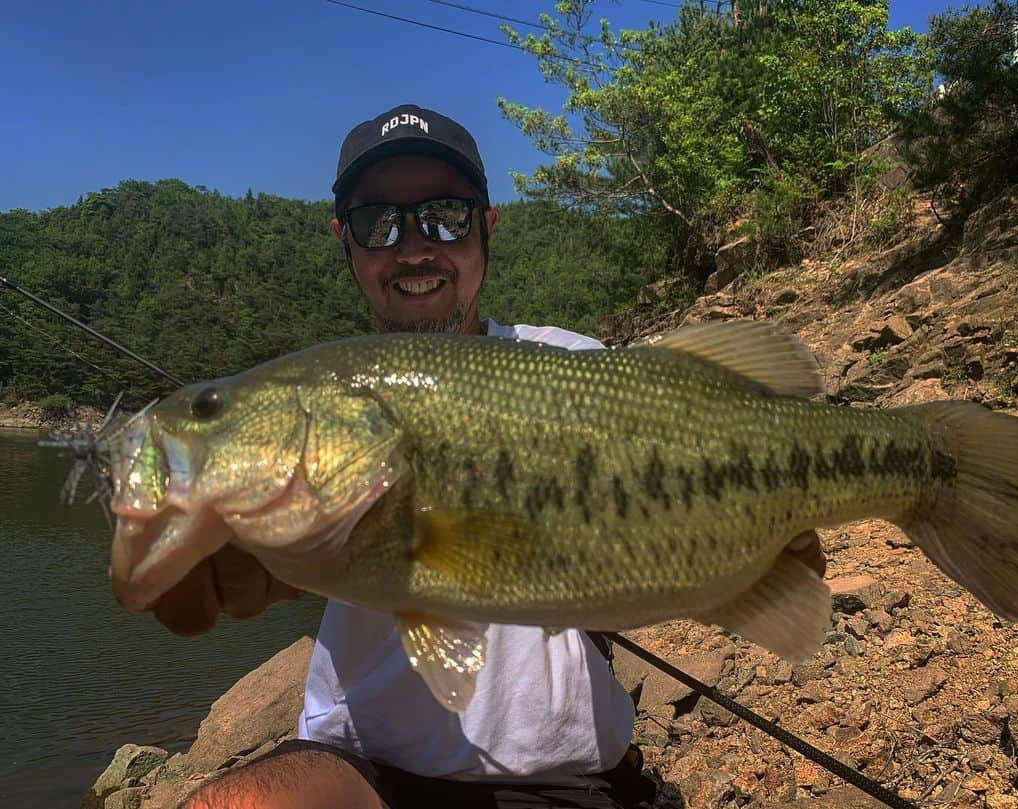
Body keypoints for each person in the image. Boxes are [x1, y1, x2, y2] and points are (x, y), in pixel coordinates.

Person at [166, 104, 654, 809]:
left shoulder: (570, 366)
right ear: (346, 242)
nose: (415, 247)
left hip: (552, 780)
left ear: (488, 224)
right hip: (356, 763)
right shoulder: (323, 396)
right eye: (378, 222)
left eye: (446, 215)